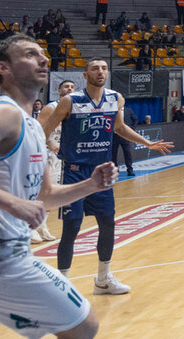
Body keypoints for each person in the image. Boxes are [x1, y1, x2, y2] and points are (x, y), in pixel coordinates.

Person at [0, 34, 119, 339]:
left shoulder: (30, 125)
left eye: (44, 54)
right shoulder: (3, 113)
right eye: (30, 55)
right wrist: (13, 204)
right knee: (83, 327)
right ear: (3, 68)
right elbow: (24, 203)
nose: (43, 59)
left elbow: (45, 198)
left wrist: (91, 185)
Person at [42, 59, 173, 295]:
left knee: (108, 224)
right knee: (72, 227)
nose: (100, 72)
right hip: (75, 172)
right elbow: (44, 129)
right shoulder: (69, 101)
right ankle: (62, 285)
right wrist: (51, 143)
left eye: (103, 68)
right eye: (95, 68)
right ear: (85, 74)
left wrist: (148, 143)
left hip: (102, 172)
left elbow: (120, 128)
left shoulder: (115, 98)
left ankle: (103, 280)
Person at [34, 79, 78, 244]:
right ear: (59, 91)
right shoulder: (51, 108)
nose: (69, 88)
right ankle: (30, 228)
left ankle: (42, 226)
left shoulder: (75, 109)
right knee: (40, 192)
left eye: (72, 86)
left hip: (62, 155)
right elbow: (36, 129)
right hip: (45, 153)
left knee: (52, 194)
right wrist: (49, 142)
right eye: (66, 86)